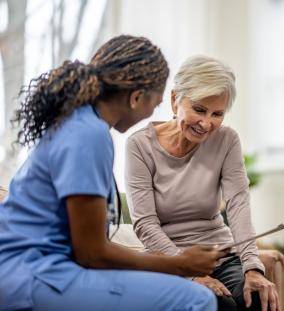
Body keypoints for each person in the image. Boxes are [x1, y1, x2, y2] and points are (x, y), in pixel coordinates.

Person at [0, 35, 226, 311]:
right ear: (136, 97)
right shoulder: (88, 135)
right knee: (196, 299)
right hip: (31, 276)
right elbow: (92, 253)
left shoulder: (79, 123)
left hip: (36, 270)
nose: (154, 112)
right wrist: (179, 264)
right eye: (155, 103)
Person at [125, 55, 280, 311]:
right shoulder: (140, 146)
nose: (206, 123)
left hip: (219, 256)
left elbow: (238, 205)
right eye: (199, 109)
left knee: (257, 301)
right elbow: (145, 224)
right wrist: (188, 271)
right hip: (170, 262)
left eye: (217, 114)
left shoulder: (227, 140)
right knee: (218, 304)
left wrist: (253, 267)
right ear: (175, 100)